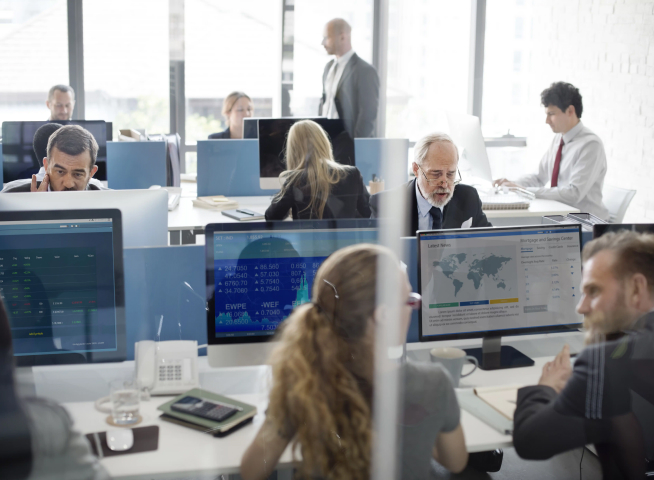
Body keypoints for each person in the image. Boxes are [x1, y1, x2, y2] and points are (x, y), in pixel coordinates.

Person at [240, 244, 468, 479]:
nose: (412, 308)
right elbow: (456, 461)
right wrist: (423, 426)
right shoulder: (434, 384)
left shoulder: (303, 385)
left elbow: (251, 471)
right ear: (384, 315)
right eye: (409, 300)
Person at [513, 231, 654, 479]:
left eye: (594, 291)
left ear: (637, 287)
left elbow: (530, 441)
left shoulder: (604, 363)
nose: (581, 307)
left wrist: (545, 387)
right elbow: (618, 413)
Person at [0, 296, 109, 479]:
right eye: (8, 306)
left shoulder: (73, 364)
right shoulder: (47, 423)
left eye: (15, 305)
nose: (11, 313)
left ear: (39, 312)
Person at [494, 82, 608, 220]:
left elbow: (573, 193)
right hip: (562, 218)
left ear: (570, 111)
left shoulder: (590, 145)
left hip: (586, 224)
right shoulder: (559, 139)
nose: (547, 121)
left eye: (551, 114)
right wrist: (512, 185)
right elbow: (539, 177)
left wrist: (524, 191)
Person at [370, 132, 491, 236]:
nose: (444, 185)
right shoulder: (385, 204)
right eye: (436, 174)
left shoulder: (468, 198)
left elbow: (490, 244)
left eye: (450, 174)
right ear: (416, 170)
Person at [265, 120, 371, 220]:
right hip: (346, 239)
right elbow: (367, 213)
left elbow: (272, 216)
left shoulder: (295, 179)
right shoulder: (352, 173)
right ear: (324, 143)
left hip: (307, 239)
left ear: (294, 151)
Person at [319, 18, 379, 139]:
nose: (322, 43)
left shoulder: (365, 71)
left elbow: (368, 114)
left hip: (349, 145)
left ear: (342, 37)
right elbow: (324, 103)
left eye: (327, 37)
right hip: (328, 142)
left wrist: (355, 147)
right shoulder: (328, 67)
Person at [2, 125, 105, 193]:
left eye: (78, 174)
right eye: (60, 171)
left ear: (91, 173)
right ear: (46, 166)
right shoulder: (11, 198)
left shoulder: (111, 202)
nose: (68, 184)